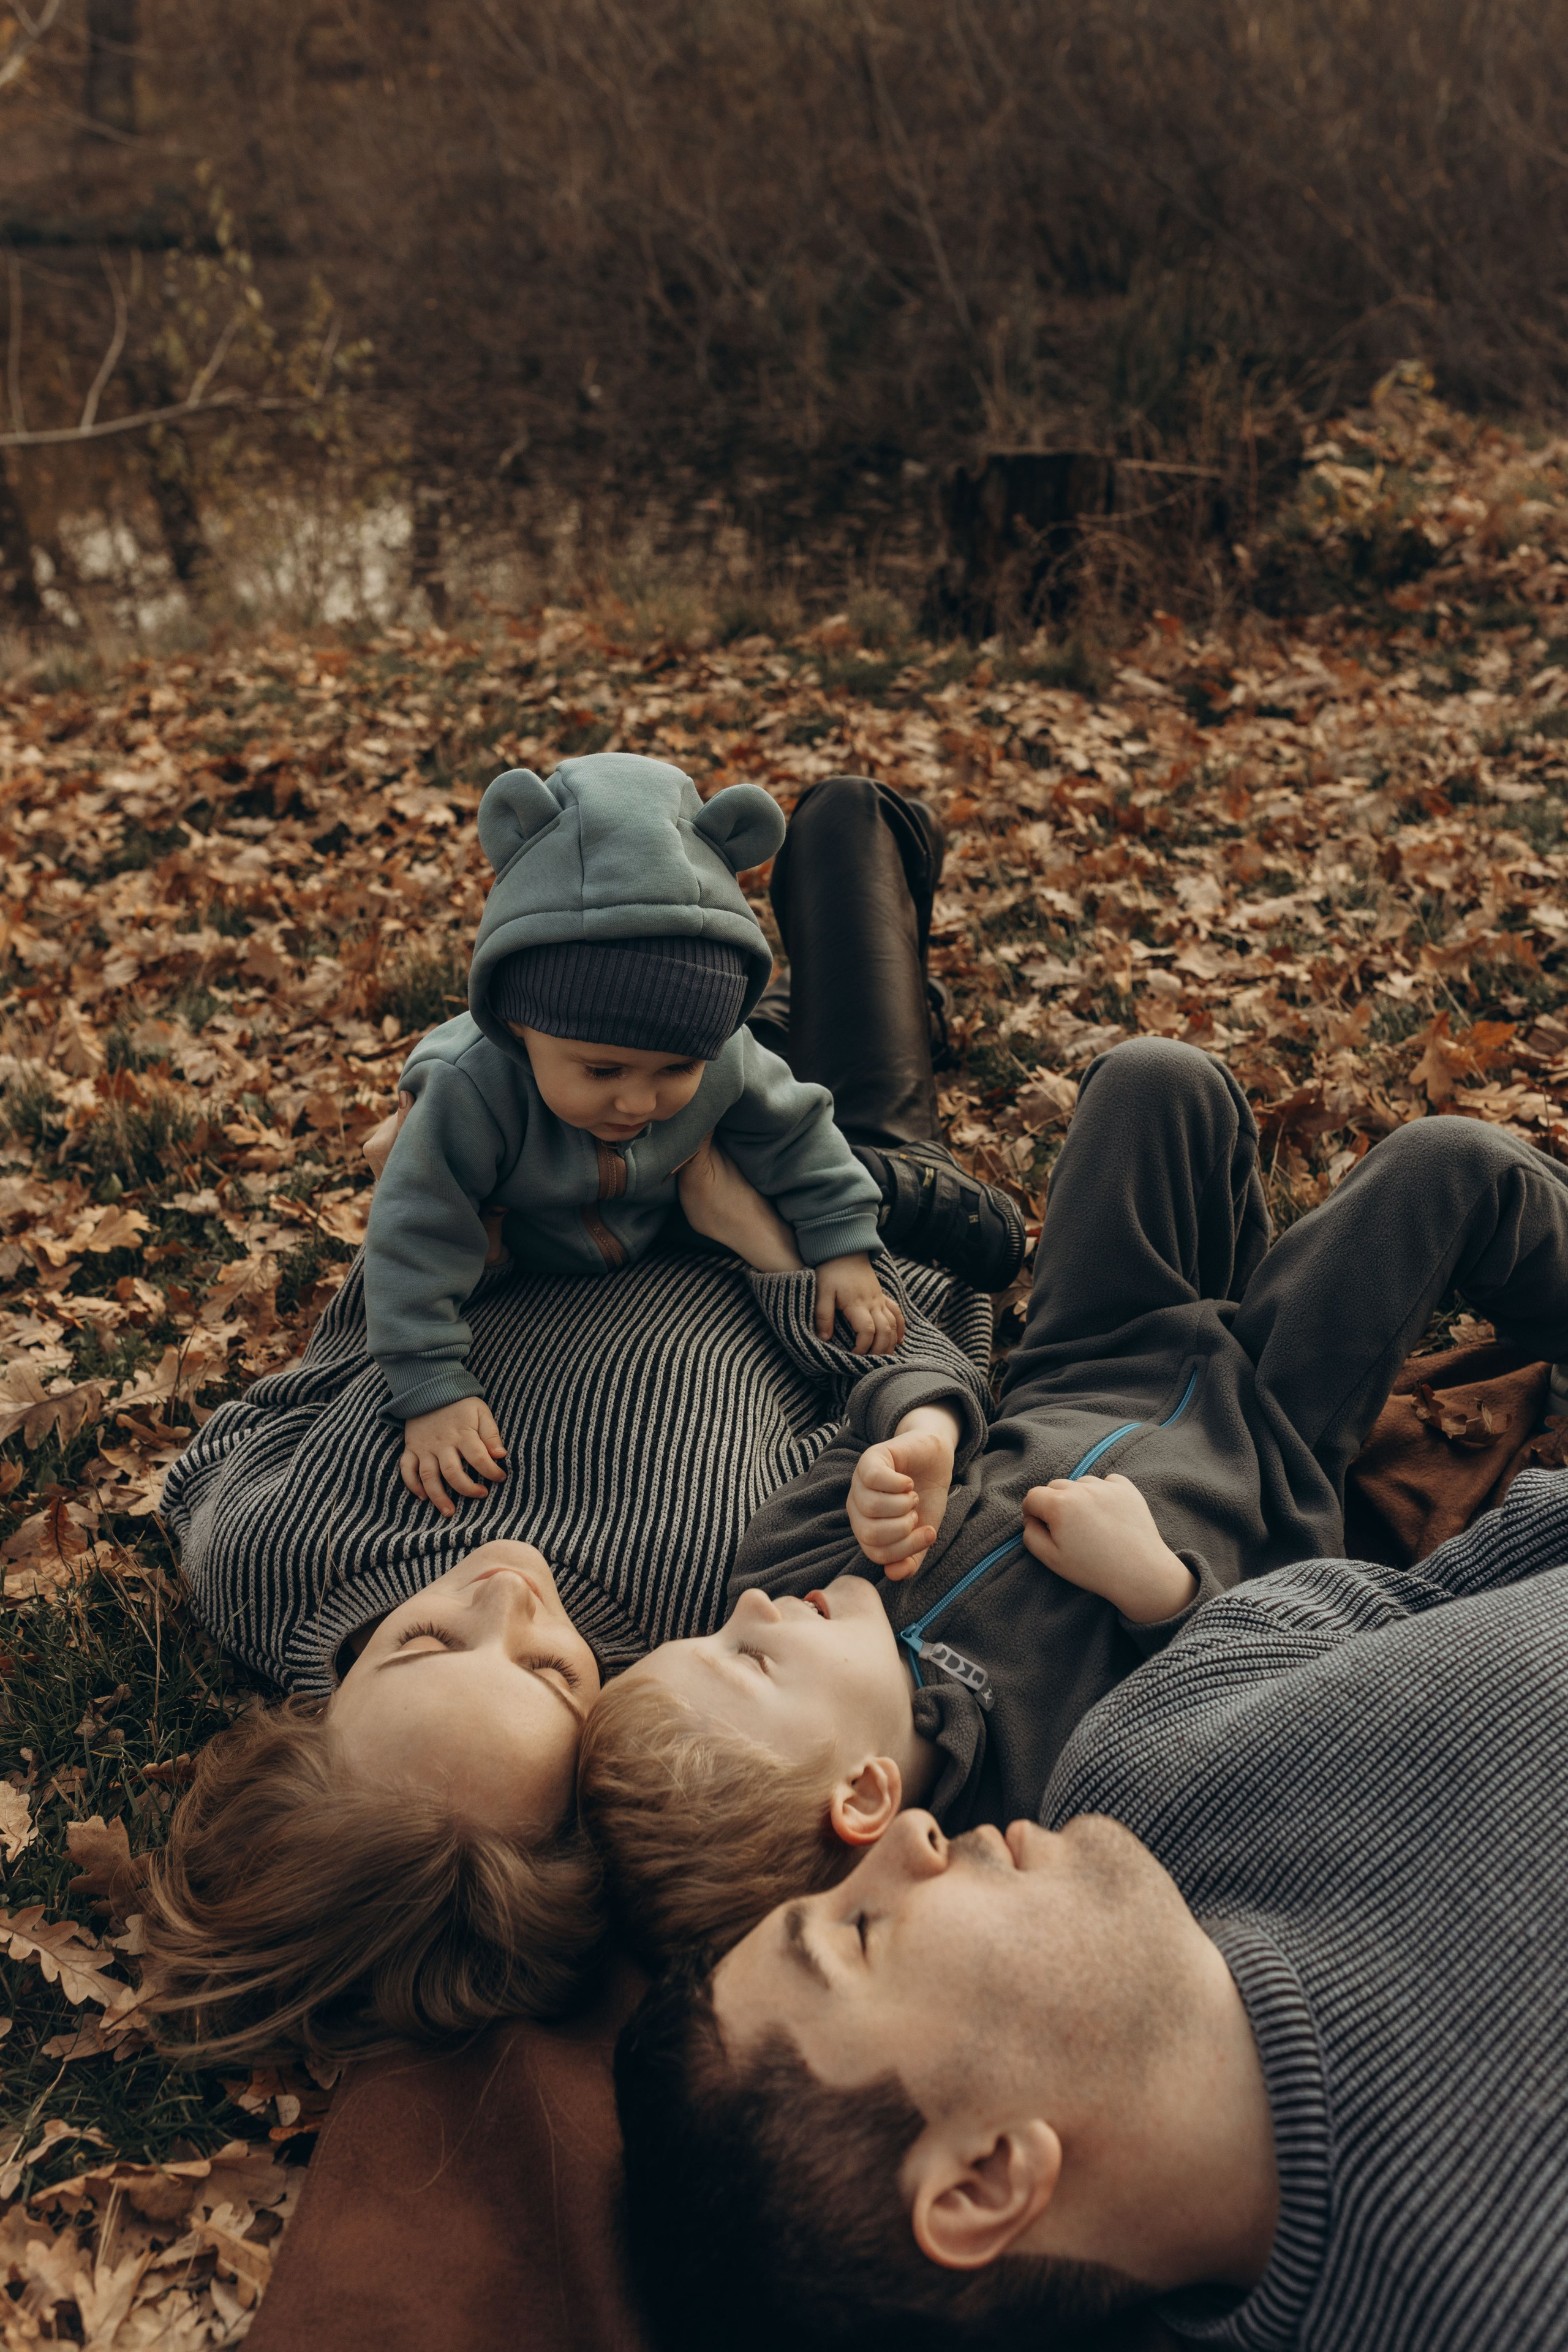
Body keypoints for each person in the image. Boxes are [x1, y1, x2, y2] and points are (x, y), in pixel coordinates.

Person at [141, 775, 1016, 2064]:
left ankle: (715, 1036)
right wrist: (772, 1248)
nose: (510, 1584)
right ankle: (810, 1004)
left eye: (425, 1641)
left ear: (326, 1709)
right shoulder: (719, 1600)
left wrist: (445, 1281)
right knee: (841, 829)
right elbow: (920, 1363)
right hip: (807, 1208)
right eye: (555, 1676)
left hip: (562, 1162)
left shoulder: (271, 1563)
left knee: (691, 1031)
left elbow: (254, 1423)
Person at [578, 1039, 1568, 1962]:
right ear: (866, 1792)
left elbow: (877, 1404)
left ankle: (1233, 1272)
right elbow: (1266, 1700)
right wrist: (1159, 1594)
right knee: (1455, 1166)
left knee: (1151, 1079)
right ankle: (1307, 1296)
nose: (744, 1611)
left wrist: (922, 1437)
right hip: (1275, 1434)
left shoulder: (792, 1574)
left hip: (1086, 1362)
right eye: (744, 1658)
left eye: (708, 1632)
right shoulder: (1045, 1795)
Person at [614, 1465, 1568, 2352]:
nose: (909, 1839)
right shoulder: (1492, 2310)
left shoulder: (1140, 1758)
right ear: (984, 2180)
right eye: (858, 1934)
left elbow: (1478, 1567)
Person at [369, 751, 905, 1517]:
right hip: (539, 1261)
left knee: (786, 1063)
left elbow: (799, 1132)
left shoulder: (723, 1058)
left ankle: (815, 996)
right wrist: (430, 1388)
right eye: (602, 1071)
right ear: (519, 1026)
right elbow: (412, 1235)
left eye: (675, 1069)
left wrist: (842, 1243)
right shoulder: (471, 1092)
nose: (638, 1102)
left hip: (667, 1235)